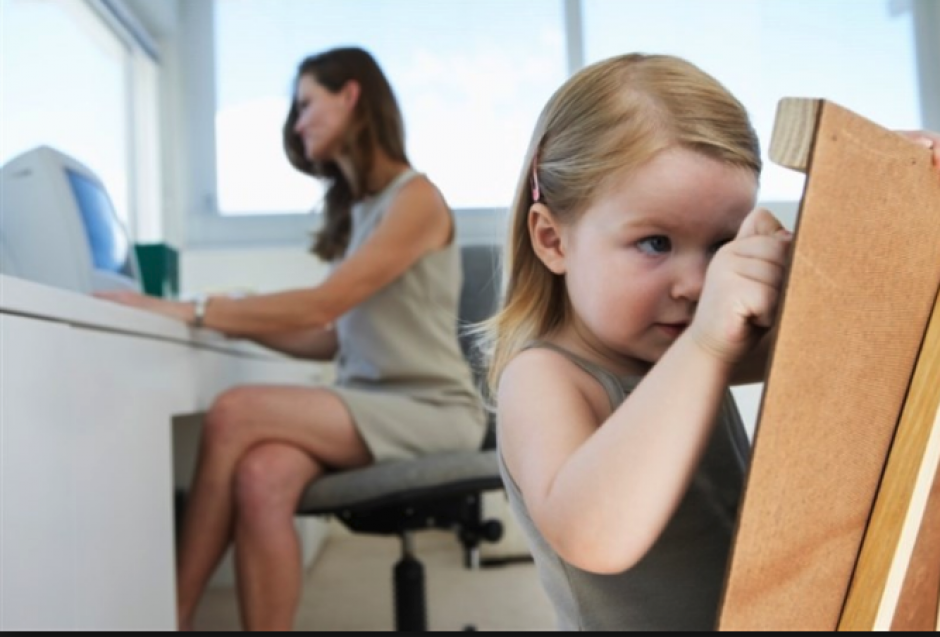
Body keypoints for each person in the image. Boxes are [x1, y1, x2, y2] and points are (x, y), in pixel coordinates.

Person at [477, 52, 940, 631]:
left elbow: (858, 327)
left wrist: (886, 194)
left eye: (723, 244)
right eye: (655, 243)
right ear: (553, 241)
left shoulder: (688, 342)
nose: (698, 285)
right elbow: (594, 536)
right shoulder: (545, 378)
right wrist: (706, 346)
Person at [98, 46, 486, 631]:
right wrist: (226, 316)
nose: (297, 121)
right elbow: (328, 336)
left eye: (306, 103)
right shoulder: (361, 213)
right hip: (373, 404)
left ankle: (171, 616)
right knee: (261, 475)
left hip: (431, 409)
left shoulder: (416, 199)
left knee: (234, 412)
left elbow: (326, 304)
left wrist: (193, 309)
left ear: (351, 96)